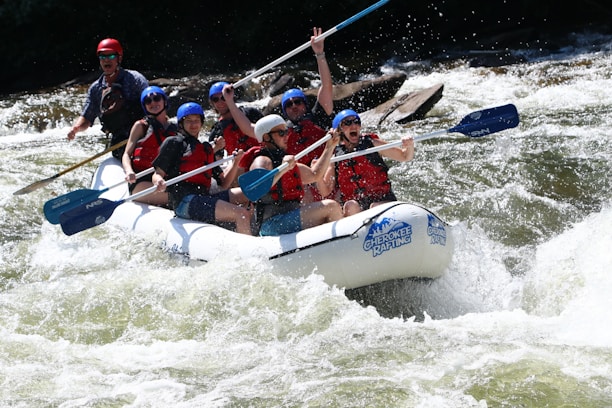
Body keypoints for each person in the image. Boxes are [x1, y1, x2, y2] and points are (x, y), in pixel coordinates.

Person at [152, 102, 252, 235]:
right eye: (189, 121)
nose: (193, 125)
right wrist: (158, 180)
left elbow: (224, 183)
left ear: (201, 123)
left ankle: (243, 230)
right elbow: (157, 173)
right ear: (181, 124)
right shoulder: (173, 143)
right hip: (184, 202)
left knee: (249, 193)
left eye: (196, 121)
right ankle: (248, 245)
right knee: (241, 214)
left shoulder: (205, 149)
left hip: (204, 197)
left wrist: (235, 163)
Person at [239, 114, 343, 236]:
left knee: (331, 208)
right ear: (267, 137)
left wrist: (329, 148)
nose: (286, 136)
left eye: (287, 131)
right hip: (272, 224)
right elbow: (255, 190)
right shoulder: (262, 161)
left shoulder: (283, 160)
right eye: (281, 133)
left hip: (290, 217)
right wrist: (282, 170)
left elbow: (315, 174)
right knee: (331, 207)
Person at [318, 109, 415, 217]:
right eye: (347, 123)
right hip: (357, 207)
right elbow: (325, 191)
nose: (354, 126)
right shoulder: (335, 157)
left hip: (382, 201)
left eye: (356, 122)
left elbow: (405, 156)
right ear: (339, 131)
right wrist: (318, 177)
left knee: (374, 207)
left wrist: (409, 146)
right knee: (350, 206)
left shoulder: (372, 144)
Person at [67, 38, 149, 159]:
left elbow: (151, 104)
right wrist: (76, 129)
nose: (106, 60)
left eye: (110, 56)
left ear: (119, 58)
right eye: (102, 57)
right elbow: (87, 117)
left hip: (143, 133)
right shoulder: (96, 89)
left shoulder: (135, 79)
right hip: (120, 139)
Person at [280, 27, 335, 202]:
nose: (294, 106)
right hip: (304, 185)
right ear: (284, 111)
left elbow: (326, 86)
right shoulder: (281, 132)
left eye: (298, 102)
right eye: (289, 105)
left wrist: (320, 54)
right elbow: (252, 130)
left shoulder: (318, 116)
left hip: (327, 174)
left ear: (305, 104)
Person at [121, 86, 177, 206]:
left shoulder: (176, 129)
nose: (153, 103)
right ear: (145, 106)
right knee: (179, 196)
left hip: (165, 179)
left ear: (164, 101)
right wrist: (129, 171)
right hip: (142, 182)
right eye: (148, 101)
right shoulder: (141, 126)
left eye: (156, 98)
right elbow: (126, 154)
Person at [207, 81, 263, 161]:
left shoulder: (251, 113)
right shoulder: (217, 131)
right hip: (240, 166)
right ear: (212, 103)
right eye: (215, 99)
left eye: (223, 97)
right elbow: (217, 160)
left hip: (262, 156)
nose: (220, 102)